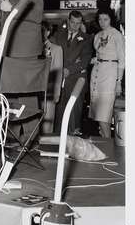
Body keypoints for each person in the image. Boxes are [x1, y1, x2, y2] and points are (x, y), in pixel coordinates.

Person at [0, 0, 44, 141]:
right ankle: (16, 137)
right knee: (12, 95)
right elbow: (10, 19)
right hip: (11, 49)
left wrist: (10, 7)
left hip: (24, 51)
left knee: (25, 96)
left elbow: (37, 14)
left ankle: (30, 140)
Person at [50, 10, 92, 135]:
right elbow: (51, 51)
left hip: (75, 82)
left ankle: (73, 145)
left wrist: (69, 69)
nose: (75, 26)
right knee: (59, 116)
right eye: (73, 22)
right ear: (68, 21)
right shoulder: (58, 35)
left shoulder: (86, 39)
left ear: (81, 23)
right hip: (59, 82)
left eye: (78, 23)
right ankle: (57, 145)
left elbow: (84, 61)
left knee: (73, 116)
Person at [89, 9, 125, 138]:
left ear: (111, 20)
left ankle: (109, 145)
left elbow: (122, 59)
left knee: (104, 115)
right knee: (99, 115)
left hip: (110, 75)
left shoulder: (116, 35)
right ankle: (105, 143)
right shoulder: (97, 35)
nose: (102, 22)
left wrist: (119, 82)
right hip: (96, 75)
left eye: (105, 19)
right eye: (100, 19)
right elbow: (99, 53)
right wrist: (94, 60)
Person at [42, 21, 63, 134]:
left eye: (43, 31)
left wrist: (57, 93)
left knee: (47, 125)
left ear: (48, 32)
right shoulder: (32, 48)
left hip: (49, 91)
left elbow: (58, 72)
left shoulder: (56, 49)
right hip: (34, 92)